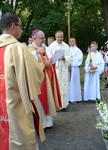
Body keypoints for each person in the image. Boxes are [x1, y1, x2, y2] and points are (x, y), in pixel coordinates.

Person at [0, 12, 45, 150]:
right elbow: (35, 76)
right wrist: (41, 63)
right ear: (13, 26)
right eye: (20, 26)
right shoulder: (19, 48)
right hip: (17, 106)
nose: (22, 29)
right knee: (20, 137)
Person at [28, 29, 62, 128]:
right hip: (37, 81)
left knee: (47, 99)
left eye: (44, 38)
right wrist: (44, 63)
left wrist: (51, 61)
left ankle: (48, 122)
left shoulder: (42, 47)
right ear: (34, 38)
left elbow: (45, 60)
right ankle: (41, 124)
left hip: (46, 77)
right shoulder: (31, 48)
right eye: (41, 38)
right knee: (39, 102)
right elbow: (29, 63)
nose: (43, 40)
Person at [47, 30, 70, 111]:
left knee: (64, 86)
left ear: (63, 37)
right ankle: (56, 105)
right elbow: (49, 58)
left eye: (61, 37)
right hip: (56, 69)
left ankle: (63, 105)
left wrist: (64, 57)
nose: (60, 38)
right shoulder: (51, 46)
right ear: (55, 37)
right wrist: (55, 57)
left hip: (63, 68)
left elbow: (69, 58)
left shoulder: (66, 46)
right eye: (58, 37)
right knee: (57, 86)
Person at [68, 37, 83, 102]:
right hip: (68, 68)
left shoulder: (78, 50)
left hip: (74, 68)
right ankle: (69, 98)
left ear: (75, 42)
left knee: (74, 83)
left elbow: (79, 59)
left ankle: (75, 97)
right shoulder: (67, 49)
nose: (71, 42)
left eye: (73, 41)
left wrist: (72, 59)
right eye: (70, 41)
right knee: (69, 83)